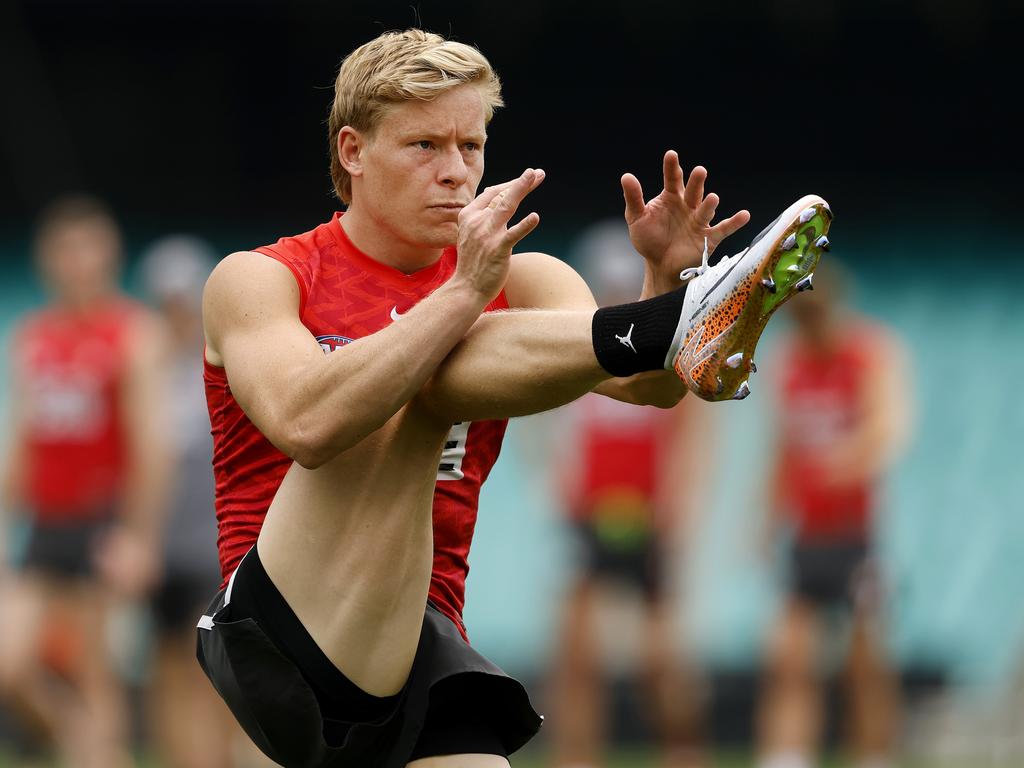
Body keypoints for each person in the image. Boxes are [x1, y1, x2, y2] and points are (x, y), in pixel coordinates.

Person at [195, 28, 831, 768]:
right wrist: (463, 293)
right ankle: (671, 323)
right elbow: (306, 422)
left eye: (472, 146)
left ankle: (673, 319)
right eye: (425, 146)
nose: (456, 173)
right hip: (282, 629)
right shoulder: (260, 278)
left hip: (419, 634)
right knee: (427, 372)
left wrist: (663, 281)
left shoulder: (523, 279)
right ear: (353, 151)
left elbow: (648, 389)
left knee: (480, 347)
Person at [0, 195, 169, 768]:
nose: (76, 263)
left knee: (97, 672)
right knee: (11, 663)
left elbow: (151, 446)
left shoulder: (132, 334)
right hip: (46, 524)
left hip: (102, 522)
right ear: (48, 260)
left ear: (108, 256)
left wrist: (138, 537)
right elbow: (22, 441)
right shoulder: (32, 337)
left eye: (86, 249)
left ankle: (96, 753)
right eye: (64, 251)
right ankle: (81, 745)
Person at [545, 221, 709, 768]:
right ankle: (576, 758)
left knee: (660, 659)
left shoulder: (661, 348)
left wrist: (679, 505)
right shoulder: (579, 341)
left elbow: (690, 433)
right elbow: (553, 427)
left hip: (649, 512)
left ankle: (683, 752)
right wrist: (559, 484)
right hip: (590, 511)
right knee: (575, 654)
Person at [756, 263, 910, 768]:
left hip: (857, 533)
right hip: (809, 535)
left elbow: (888, 428)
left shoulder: (869, 354)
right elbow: (781, 450)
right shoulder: (791, 364)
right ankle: (787, 755)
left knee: (865, 662)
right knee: (790, 658)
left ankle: (873, 754)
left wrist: (844, 459)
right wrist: (764, 519)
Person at [138, 236, 242, 768]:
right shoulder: (145, 374)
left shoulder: (224, 368)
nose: (175, 313)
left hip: (210, 545)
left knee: (204, 669)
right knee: (165, 669)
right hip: (161, 550)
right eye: (167, 302)